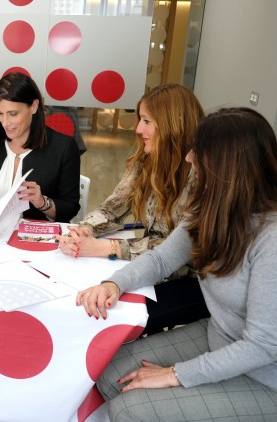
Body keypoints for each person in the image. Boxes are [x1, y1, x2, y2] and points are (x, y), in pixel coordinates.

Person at [77, 107, 277, 421]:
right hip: (219, 336)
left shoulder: (270, 239)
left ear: (225, 167)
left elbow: (262, 346)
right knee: (108, 370)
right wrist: (115, 283)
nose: (188, 158)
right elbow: (161, 259)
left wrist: (176, 374)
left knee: (129, 410)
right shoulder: (209, 210)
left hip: (265, 375)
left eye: (198, 151)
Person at [58, 83, 209, 334]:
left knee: (111, 315)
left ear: (173, 124)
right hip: (152, 266)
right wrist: (84, 231)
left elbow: (181, 251)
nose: (138, 129)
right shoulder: (147, 160)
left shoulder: (202, 175)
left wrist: (109, 248)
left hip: (192, 281)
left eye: (146, 121)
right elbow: (112, 209)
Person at [0, 72, 80, 222]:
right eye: (0, 113)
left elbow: (70, 208)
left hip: (34, 234)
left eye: (13, 114)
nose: (5, 122)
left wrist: (42, 202)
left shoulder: (63, 147)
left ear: (34, 106)